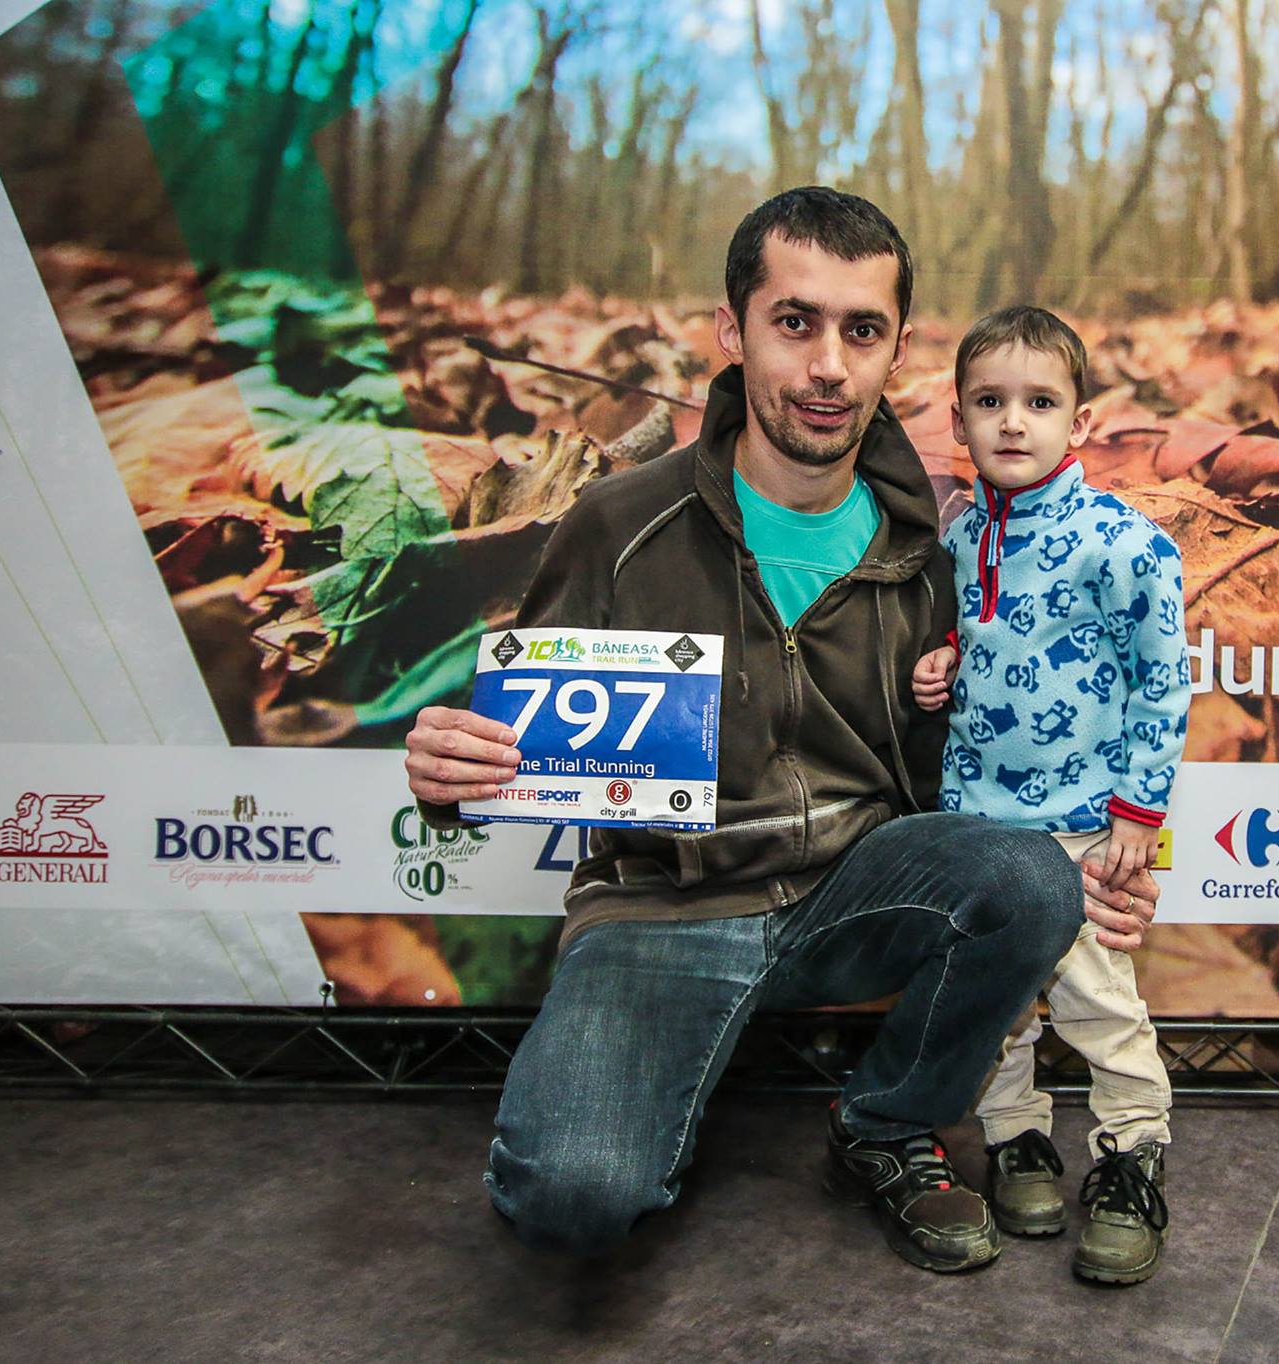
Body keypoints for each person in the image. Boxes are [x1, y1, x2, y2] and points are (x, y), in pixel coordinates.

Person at [401, 188, 1162, 1273]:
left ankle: (885, 1122)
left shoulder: (934, 548)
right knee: (568, 1198)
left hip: (860, 891)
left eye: (861, 331)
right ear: (732, 330)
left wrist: (1096, 853)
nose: (826, 367)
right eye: (794, 322)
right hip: (664, 905)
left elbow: (996, 756)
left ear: (896, 349)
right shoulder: (618, 526)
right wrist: (448, 772)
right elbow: (516, 742)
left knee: (1031, 879)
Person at [910, 305, 1189, 1285]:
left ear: (1080, 422)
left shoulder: (1125, 546)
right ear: (959, 420)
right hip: (976, 824)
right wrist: (936, 668)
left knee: (1098, 998)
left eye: (1037, 401)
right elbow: (960, 643)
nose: (1012, 422)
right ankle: (1018, 1140)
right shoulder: (954, 539)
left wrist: (1136, 817)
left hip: (1079, 827)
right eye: (989, 402)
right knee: (997, 1006)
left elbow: (1160, 686)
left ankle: (1129, 1156)